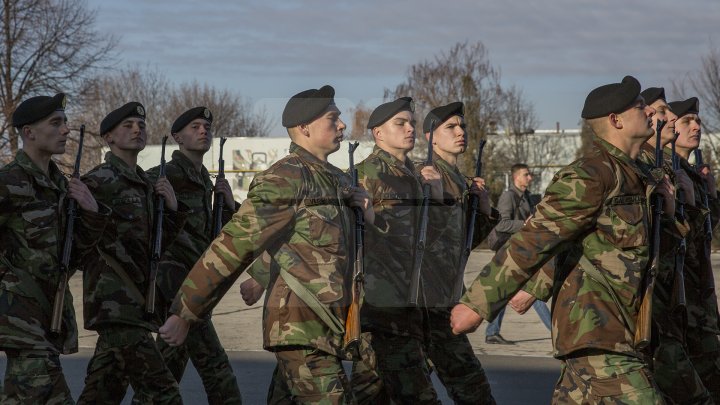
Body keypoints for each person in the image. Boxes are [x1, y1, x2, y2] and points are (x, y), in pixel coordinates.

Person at [451, 76, 684, 403]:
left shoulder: (642, 178)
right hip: (597, 331)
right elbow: (536, 238)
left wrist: (669, 211)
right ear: (616, 120)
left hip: (631, 331)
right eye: (640, 106)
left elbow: (656, 255)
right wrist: (477, 304)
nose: (649, 112)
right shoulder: (590, 174)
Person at [159, 85, 375, 404]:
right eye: (333, 118)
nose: (342, 125)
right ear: (304, 128)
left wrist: (366, 215)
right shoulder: (285, 178)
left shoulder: (338, 181)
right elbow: (232, 246)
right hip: (300, 327)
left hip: (330, 325)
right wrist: (185, 311)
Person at [0, 93, 108, 404]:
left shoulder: (62, 187)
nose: (65, 130)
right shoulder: (9, 182)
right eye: (56, 123)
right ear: (28, 132)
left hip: (51, 312)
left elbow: (74, 256)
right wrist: (9, 280)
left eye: (65, 123)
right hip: (20, 317)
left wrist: (91, 212)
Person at [78, 102, 186, 404]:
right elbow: (80, 242)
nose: (137, 129)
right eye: (128, 125)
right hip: (114, 302)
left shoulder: (147, 184)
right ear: (109, 137)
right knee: (163, 393)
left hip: (138, 301)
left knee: (103, 392)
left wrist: (173, 210)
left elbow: (155, 247)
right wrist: (91, 210)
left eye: (141, 124)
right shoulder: (98, 181)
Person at [134, 107, 243, 404]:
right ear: (177, 137)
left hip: (198, 281)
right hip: (177, 284)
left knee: (166, 372)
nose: (203, 130)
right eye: (194, 127)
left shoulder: (205, 180)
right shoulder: (164, 175)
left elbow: (213, 236)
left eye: (206, 126)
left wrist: (230, 204)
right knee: (218, 371)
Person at [349, 97, 445, 404]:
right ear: (378, 133)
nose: (410, 129)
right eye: (400, 123)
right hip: (382, 303)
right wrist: (373, 220)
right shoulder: (365, 174)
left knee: (371, 390)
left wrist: (440, 198)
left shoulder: (418, 177)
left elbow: (432, 239)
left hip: (412, 302)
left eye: (412, 123)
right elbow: (349, 236)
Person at [420, 102, 498, 403]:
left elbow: (464, 243)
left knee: (472, 389)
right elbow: (420, 238)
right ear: (431, 138)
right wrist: (437, 198)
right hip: (422, 304)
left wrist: (485, 208)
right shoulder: (423, 176)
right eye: (450, 127)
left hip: (447, 297)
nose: (460, 132)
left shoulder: (461, 182)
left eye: (462, 126)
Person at [667, 96, 720, 402]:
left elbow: (704, 234)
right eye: (687, 120)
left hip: (699, 304)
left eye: (697, 121)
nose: (696, 126)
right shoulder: (665, 174)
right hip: (676, 306)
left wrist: (710, 193)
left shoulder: (692, 175)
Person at [485, 164, 552, 345]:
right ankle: (557, 333)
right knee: (532, 293)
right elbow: (501, 224)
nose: (530, 178)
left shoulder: (526, 197)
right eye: (526, 174)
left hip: (519, 252)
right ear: (516, 178)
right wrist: (525, 224)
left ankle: (492, 332)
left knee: (505, 292)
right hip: (508, 252)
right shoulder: (509, 196)